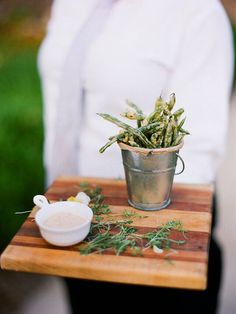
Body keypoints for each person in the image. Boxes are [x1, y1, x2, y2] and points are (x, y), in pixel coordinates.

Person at [37, 0, 234, 313]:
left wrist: (129, 232)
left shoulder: (196, 12)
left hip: (154, 237)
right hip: (71, 220)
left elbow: (198, 150)